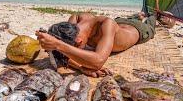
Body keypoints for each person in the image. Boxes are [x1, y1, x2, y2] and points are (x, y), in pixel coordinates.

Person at [35, 11, 175, 77]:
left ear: (78, 42)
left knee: (150, 23)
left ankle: (153, 16)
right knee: (130, 18)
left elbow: (98, 62)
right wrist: (81, 67)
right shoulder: (75, 19)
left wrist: (58, 45)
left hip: (138, 31)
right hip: (119, 21)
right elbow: (66, 54)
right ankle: (138, 15)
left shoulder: (106, 24)